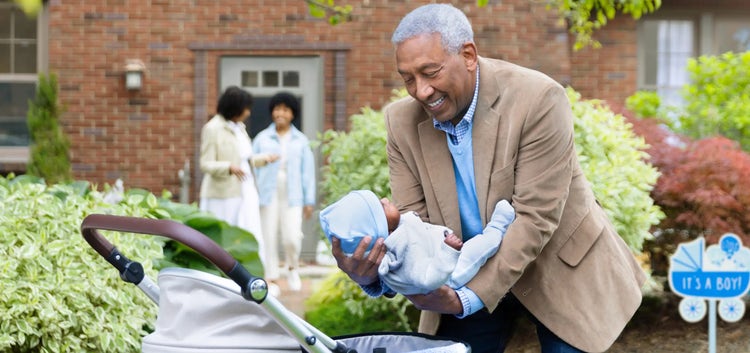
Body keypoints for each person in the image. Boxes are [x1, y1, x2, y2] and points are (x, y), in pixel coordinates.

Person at [330, 4, 646, 353]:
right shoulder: (400, 122)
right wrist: (371, 274)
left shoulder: (538, 99)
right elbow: (414, 227)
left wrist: (467, 300)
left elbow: (534, 218)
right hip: (466, 268)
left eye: (430, 72)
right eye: (408, 78)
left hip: (556, 263)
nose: (421, 91)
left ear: (468, 55)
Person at [320, 190, 515, 296]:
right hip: (450, 271)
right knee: (479, 248)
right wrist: (449, 251)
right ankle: (497, 229)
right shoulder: (401, 250)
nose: (386, 199)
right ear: (381, 230)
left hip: (441, 258)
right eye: (381, 206)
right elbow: (427, 279)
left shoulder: (397, 232)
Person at [199, 86, 278, 294]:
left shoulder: (239, 127)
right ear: (235, 107)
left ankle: (251, 281)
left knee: (250, 233)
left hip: (246, 190)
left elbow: (246, 159)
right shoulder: (212, 128)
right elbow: (205, 164)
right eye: (246, 108)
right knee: (225, 239)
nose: (248, 112)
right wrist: (228, 168)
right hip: (223, 194)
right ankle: (222, 284)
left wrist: (264, 159)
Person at [253, 92, 316, 292]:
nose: (280, 113)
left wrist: (309, 200)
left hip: (294, 192)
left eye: (285, 110)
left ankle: (292, 267)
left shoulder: (301, 140)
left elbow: (308, 172)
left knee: (292, 237)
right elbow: (252, 167)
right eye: (277, 109)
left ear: (292, 114)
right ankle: (271, 277)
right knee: (268, 234)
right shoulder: (262, 138)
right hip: (267, 192)